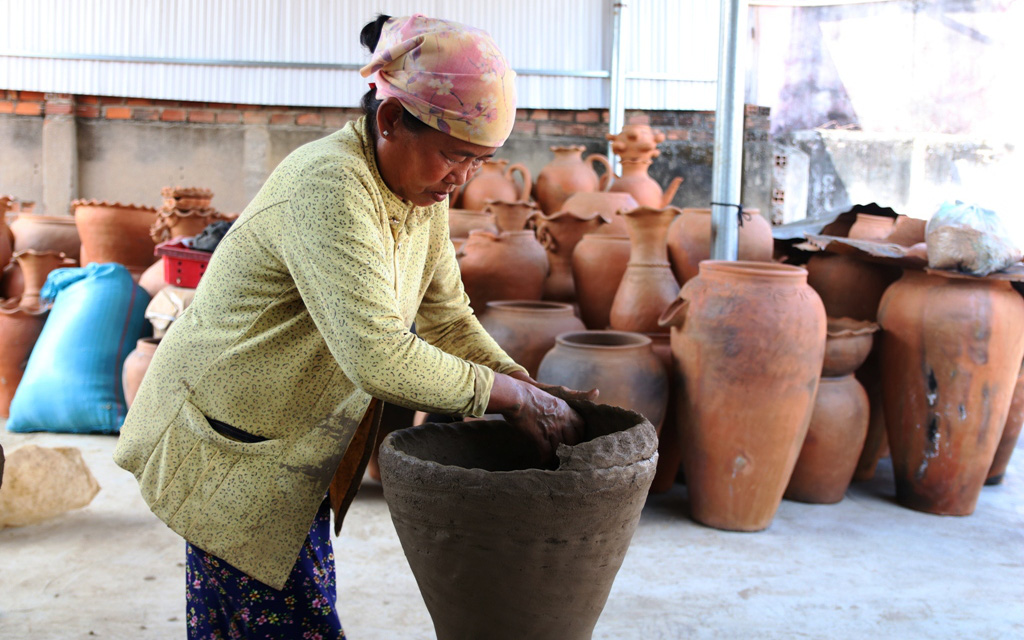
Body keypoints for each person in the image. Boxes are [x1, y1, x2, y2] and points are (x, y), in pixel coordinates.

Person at [113, 13, 594, 640]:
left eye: (481, 162)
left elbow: (446, 316)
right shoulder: (331, 186)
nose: (462, 180)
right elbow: (380, 357)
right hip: (231, 445)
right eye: (454, 155)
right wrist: (510, 398)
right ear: (390, 120)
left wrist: (520, 385)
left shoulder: (417, 192)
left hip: (287, 440)